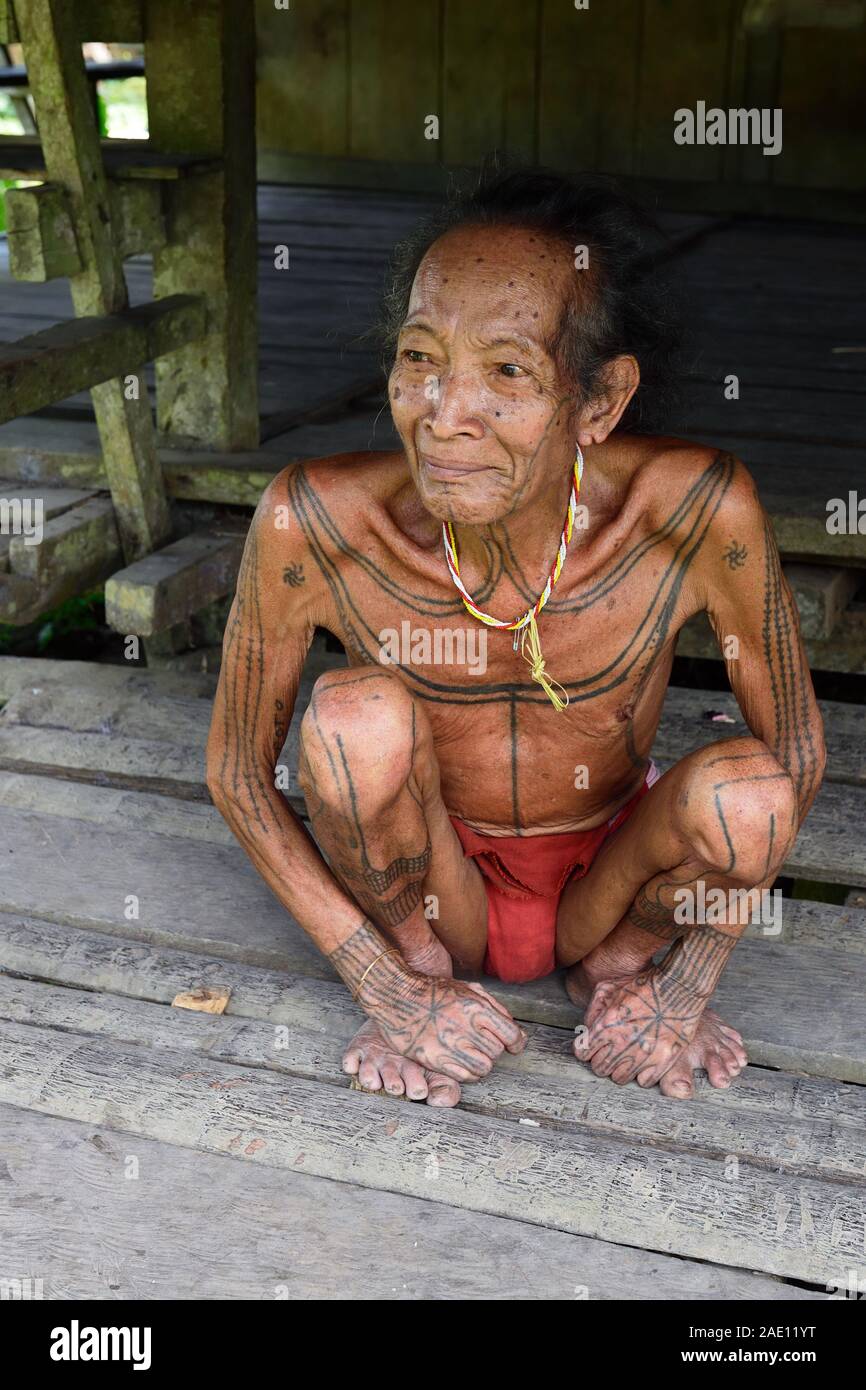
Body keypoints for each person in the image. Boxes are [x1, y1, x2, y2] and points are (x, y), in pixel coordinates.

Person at [206, 168, 825, 1107]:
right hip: (425, 892)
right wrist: (388, 986)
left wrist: (682, 987)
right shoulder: (314, 520)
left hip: (615, 881)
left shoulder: (695, 511)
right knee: (350, 722)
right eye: (420, 358)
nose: (445, 414)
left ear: (601, 403)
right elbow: (237, 772)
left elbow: (798, 748)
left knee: (750, 792)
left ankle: (617, 973)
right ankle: (428, 977)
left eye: (507, 372)